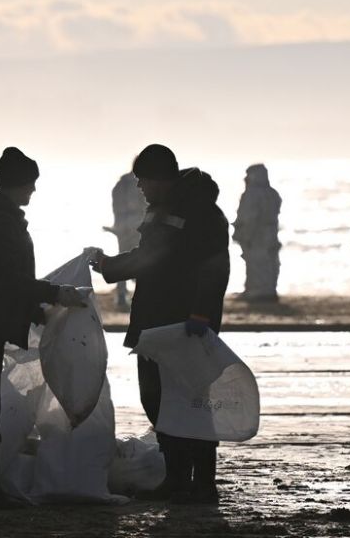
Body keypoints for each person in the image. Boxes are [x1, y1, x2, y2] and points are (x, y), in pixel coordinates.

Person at [0, 146, 86, 507]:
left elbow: (0, 282)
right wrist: (56, 293)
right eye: (30, 184)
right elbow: (8, 280)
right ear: (18, 184)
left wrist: (37, 312)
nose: (33, 191)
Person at [90, 144, 231, 504]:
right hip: (155, 321)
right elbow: (150, 258)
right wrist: (110, 267)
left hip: (184, 325)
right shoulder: (164, 210)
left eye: (143, 180)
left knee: (191, 402)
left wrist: (202, 314)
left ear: (160, 178)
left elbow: (214, 268)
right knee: (157, 400)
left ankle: (203, 483)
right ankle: (177, 477)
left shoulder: (202, 214)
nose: (140, 188)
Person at [232, 163, 281, 302]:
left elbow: (249, 217)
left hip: (257, 235)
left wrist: (245, 233)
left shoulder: (252, 194)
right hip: (269, 234)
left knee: (258, 262)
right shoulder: (272, 193)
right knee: (267, 262)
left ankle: (260, 291)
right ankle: (263, 289)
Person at [105, 171, 146, 310]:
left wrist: (117, 225)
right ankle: (138, 294)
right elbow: (145, 205)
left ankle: (121, 296)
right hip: (138, 224)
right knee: (140, 259)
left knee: (123, 258)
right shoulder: (142, 182)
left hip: (122, 226)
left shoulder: (120, 184)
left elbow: (115, 206)